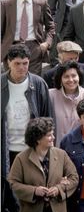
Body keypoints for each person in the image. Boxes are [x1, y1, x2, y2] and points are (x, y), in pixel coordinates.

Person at [7, 118, 78, 212]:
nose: (53, 137)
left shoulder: (61, 155)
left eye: (53, 133)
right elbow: (12, 183)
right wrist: (34, 191)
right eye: (49, 135)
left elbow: (74, 177)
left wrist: (58, 188)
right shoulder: (21, 158)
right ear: (37, 139)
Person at [1, 44, 52, 175]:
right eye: (17, 63)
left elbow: (47, 118)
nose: (22, 68)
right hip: (5, 148)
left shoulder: (39, 84)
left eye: (25, 63)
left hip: (32, 148)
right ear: (8, 62)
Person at [1, 0, 55, 75]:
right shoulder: (5, 4)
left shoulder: (41, 3)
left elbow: (50, 26)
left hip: (34, 47)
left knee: (33, 80)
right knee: (12, 80)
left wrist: (47, 43)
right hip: (11, 46)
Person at [49, 61, 84, 147]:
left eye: (74, 76)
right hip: (59, 147)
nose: (71, 80)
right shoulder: (51, 95)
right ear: (60, 79)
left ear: (79, 77)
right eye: (66, 76)